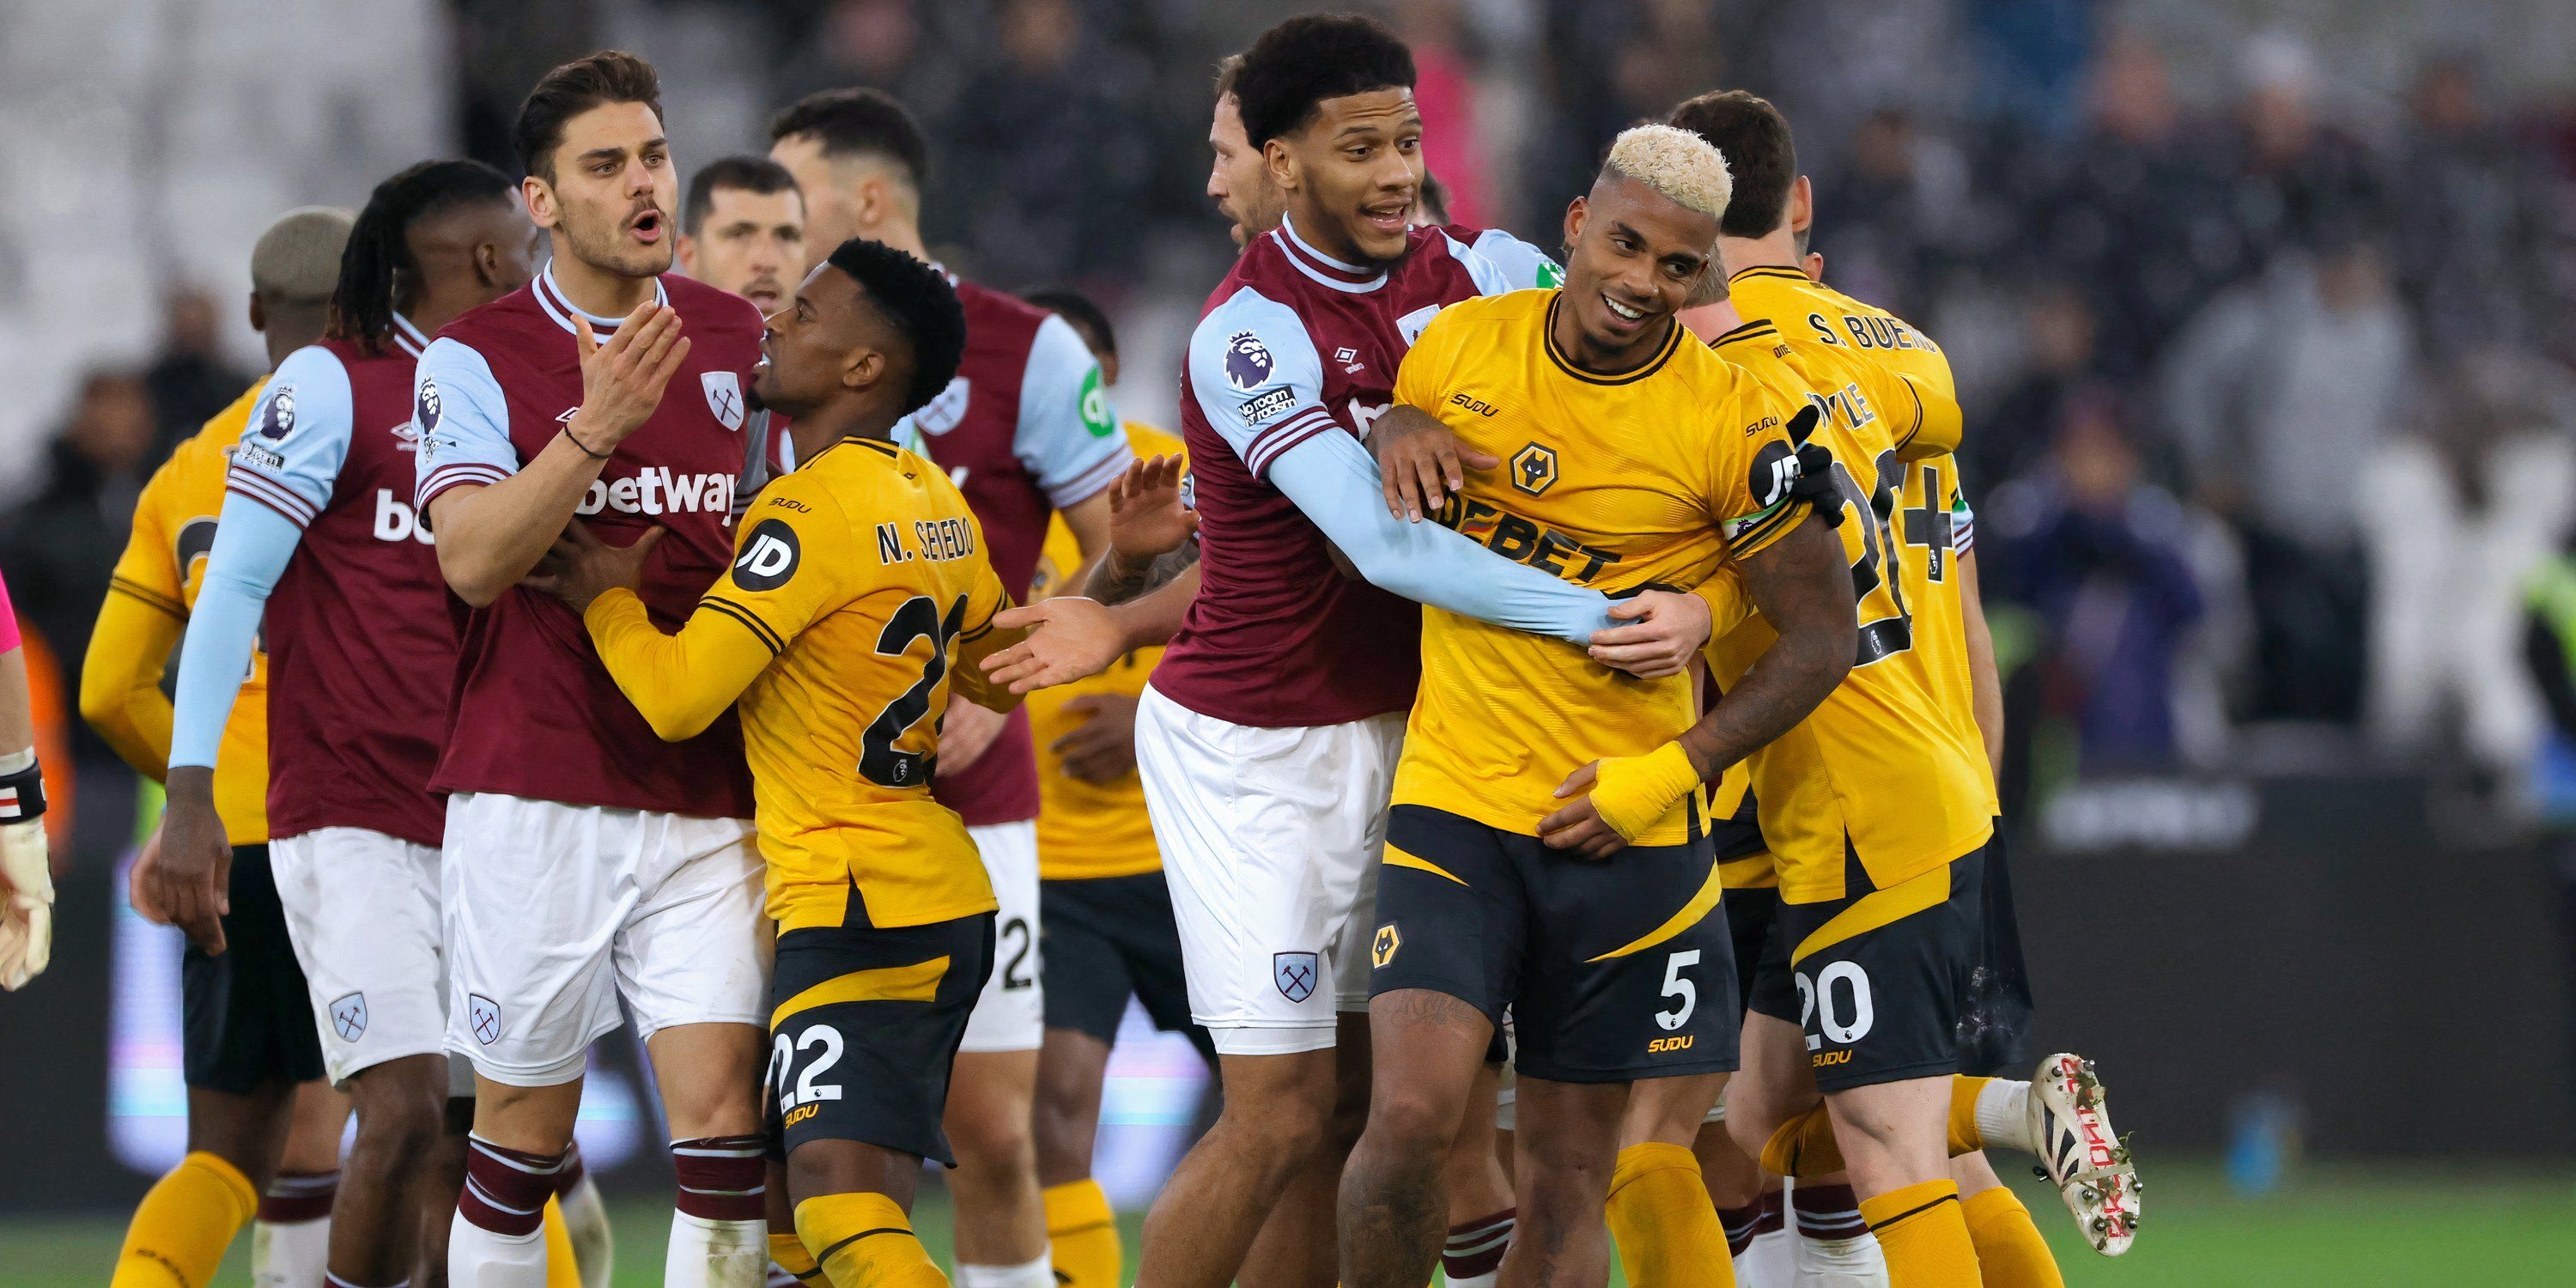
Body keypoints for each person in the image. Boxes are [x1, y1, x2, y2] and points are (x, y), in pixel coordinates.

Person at [979, 17, 1715, 1288]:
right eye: (1357, 145)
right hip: (1258, 754)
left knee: (1384, 1120)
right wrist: (1613, 622)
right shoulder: (1247, 333)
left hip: (1426, 744)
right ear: (1282, 163)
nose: (1391, 171)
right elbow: (1391, 554)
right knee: (1277, 1113)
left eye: (1407, 139)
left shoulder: (1486, 274)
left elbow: (1637, 353)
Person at [1334, 124, 1854, 1288]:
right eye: (1625, 246)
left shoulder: (1726, 415)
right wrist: (1390, 422)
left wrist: (1666, 769)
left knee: (1571, 1177)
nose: (1641, 285)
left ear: (1706, 274)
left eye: (1677, 268)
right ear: (1576, 226)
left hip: (1627, 834)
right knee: (1412, 1116)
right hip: (1458, 808)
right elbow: (1377, 495)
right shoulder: (1461, 349)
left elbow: (1825, 636)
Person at [1667, 90, 2137, 1282]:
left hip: (1823, 790)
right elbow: (1965, 615)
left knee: (1879, 1142)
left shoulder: (1703, 373)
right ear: (1802, 203)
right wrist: (1980, 796)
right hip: (1938, 776)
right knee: (1777, 1119)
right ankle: (2013, 1112)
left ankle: (1997, 1117)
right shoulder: (1907, 361)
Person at [526, 235, 1008, 1288]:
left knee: (836, 1213)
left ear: (863, 369)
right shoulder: (932, 499)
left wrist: (607, 595)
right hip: (919, 884)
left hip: (858, 897)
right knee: (792, 1224)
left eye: (806, 313)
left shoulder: (808, 508)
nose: (776, 322)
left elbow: (678, 696)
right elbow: (992, 671)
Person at [157, 160, 598, 1288]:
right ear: (494, 260)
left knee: (476, 1143)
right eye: (523, 240)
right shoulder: (329, 386)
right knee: (400, 1115)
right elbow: (233, 593)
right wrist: (193, 798)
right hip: (352, 813)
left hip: (496, 813)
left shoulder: (524, 391)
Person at [411, 52, 773, 1287]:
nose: (642, 186)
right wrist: (594, 426)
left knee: (727, 1137)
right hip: (534, 790)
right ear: (543, 201)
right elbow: (470, 561)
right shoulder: (473, 358)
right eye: (605, 166)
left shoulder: (741, 343)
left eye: (655, 157)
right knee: (520, 1142)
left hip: (707, 790)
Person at [770, 86, 1134, 1288]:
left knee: (993, 1136)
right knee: (820, 1155)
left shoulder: (1028, 349)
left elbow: (1125, 548)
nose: (777, 230)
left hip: (980, 812)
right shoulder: (761, 361)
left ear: (869, 203)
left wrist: (1007, 684)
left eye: (796, 201)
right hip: (806, 817)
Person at [84, 206, 359, 1288]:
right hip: (375, 829)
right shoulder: (405, 442)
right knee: (475, 1141)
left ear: (253, 315)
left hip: (230, 847)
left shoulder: (188, 470)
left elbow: (111, 687)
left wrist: (195, 788)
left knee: (231, 1155)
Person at [1014, 286, 1206, 1288]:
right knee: (1056, 1106)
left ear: (1110, 377)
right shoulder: (980, 497)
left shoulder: (1170, 479)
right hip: (1052, 866)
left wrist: (1151, 719)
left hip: (1185, 853)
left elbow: (1249, 620)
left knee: (1295, 1103)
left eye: (1078, 375)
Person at [679, 155, 807, 318]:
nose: (767, 262)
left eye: (787, 236)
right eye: (739, 235)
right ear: (688, 255)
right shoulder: (643, 342)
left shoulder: (844, 341)